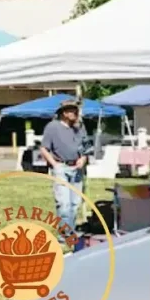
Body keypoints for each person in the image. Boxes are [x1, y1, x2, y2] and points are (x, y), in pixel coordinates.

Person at [39, 102, 90, 239]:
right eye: (72, 111)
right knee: (64, 203)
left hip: (77, 168)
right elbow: (44, 148)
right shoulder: (52, 127)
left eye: (76, 110)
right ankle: (64, 235)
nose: (75, 113)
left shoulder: (80, 127)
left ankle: (70, 232)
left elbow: (86, 147)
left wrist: (83, 159)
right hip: (61, 167)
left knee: (75, 203)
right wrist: (54, 164)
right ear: (64, 113)